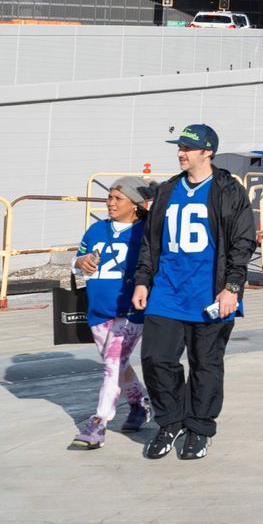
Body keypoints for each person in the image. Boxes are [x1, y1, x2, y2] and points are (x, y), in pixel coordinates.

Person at [132, 123, 254, 461]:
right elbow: (150, 241)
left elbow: (242, 242)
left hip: (211, 296)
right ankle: (170, 421)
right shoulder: (170, 190)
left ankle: (199, 427)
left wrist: (232, 288)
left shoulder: (228, 190)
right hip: (167, 292)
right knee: (156, 359)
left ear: (207, 152)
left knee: (206, 364)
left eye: (188, 147)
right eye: (179, 147)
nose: (181, 152)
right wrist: (143, 281)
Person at [68, 180, 151, 450]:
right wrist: (79, 262)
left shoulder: (147, 233)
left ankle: (98, 422)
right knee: (118, 365)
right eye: (110, 197)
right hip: (98, 311)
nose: (111, 203)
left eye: (118, 198)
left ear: (136, 204)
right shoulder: (96, 230)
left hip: (129, 312)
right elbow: (78, 262)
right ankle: (139, 404)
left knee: (112, 364)